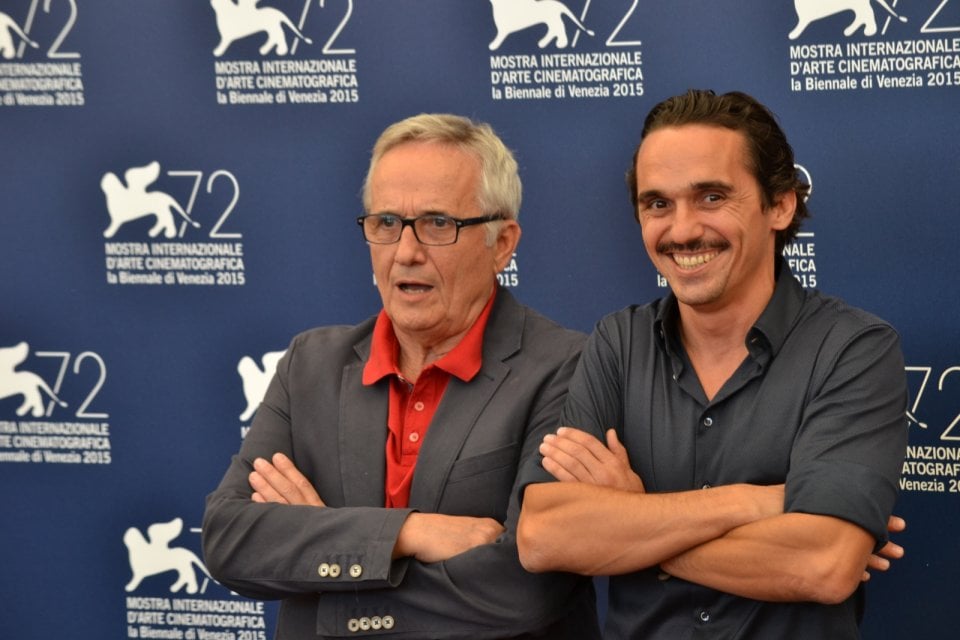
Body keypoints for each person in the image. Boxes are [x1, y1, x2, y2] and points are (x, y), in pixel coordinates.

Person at [516, 90, 908, 639]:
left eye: (711, 197)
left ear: (781, 205)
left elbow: (823, 564)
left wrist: (635, 517)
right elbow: (543, 536)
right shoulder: (617, 343)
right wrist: (760, 503)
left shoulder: (853, 349)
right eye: (658, 204)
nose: (681, 230)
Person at [202, 113, 600, 639]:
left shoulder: (567, 368)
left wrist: (326, 563)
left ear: (502, 243)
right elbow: (231, 540)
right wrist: (411, 533)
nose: (406, 253)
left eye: (438, 223)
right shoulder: (310, 364)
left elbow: (524, 587)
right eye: (386, 223)